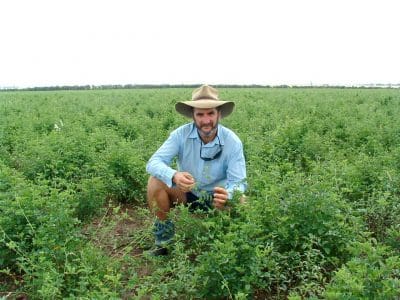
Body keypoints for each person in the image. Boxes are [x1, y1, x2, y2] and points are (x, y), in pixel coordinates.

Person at [146, 84, 247, 255]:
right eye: (200, 114)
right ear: (193, 116)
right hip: (187, 193)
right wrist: (175, 175)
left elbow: (238, 182)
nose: (206, 120)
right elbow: (153, 162)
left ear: (219, 114)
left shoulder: (232, 141)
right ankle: (164, 242)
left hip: (217, 198)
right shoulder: (180, 135)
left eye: (211, 113)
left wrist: (229, 195)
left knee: (242, 201)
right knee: (155, 181)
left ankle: (230, 246)